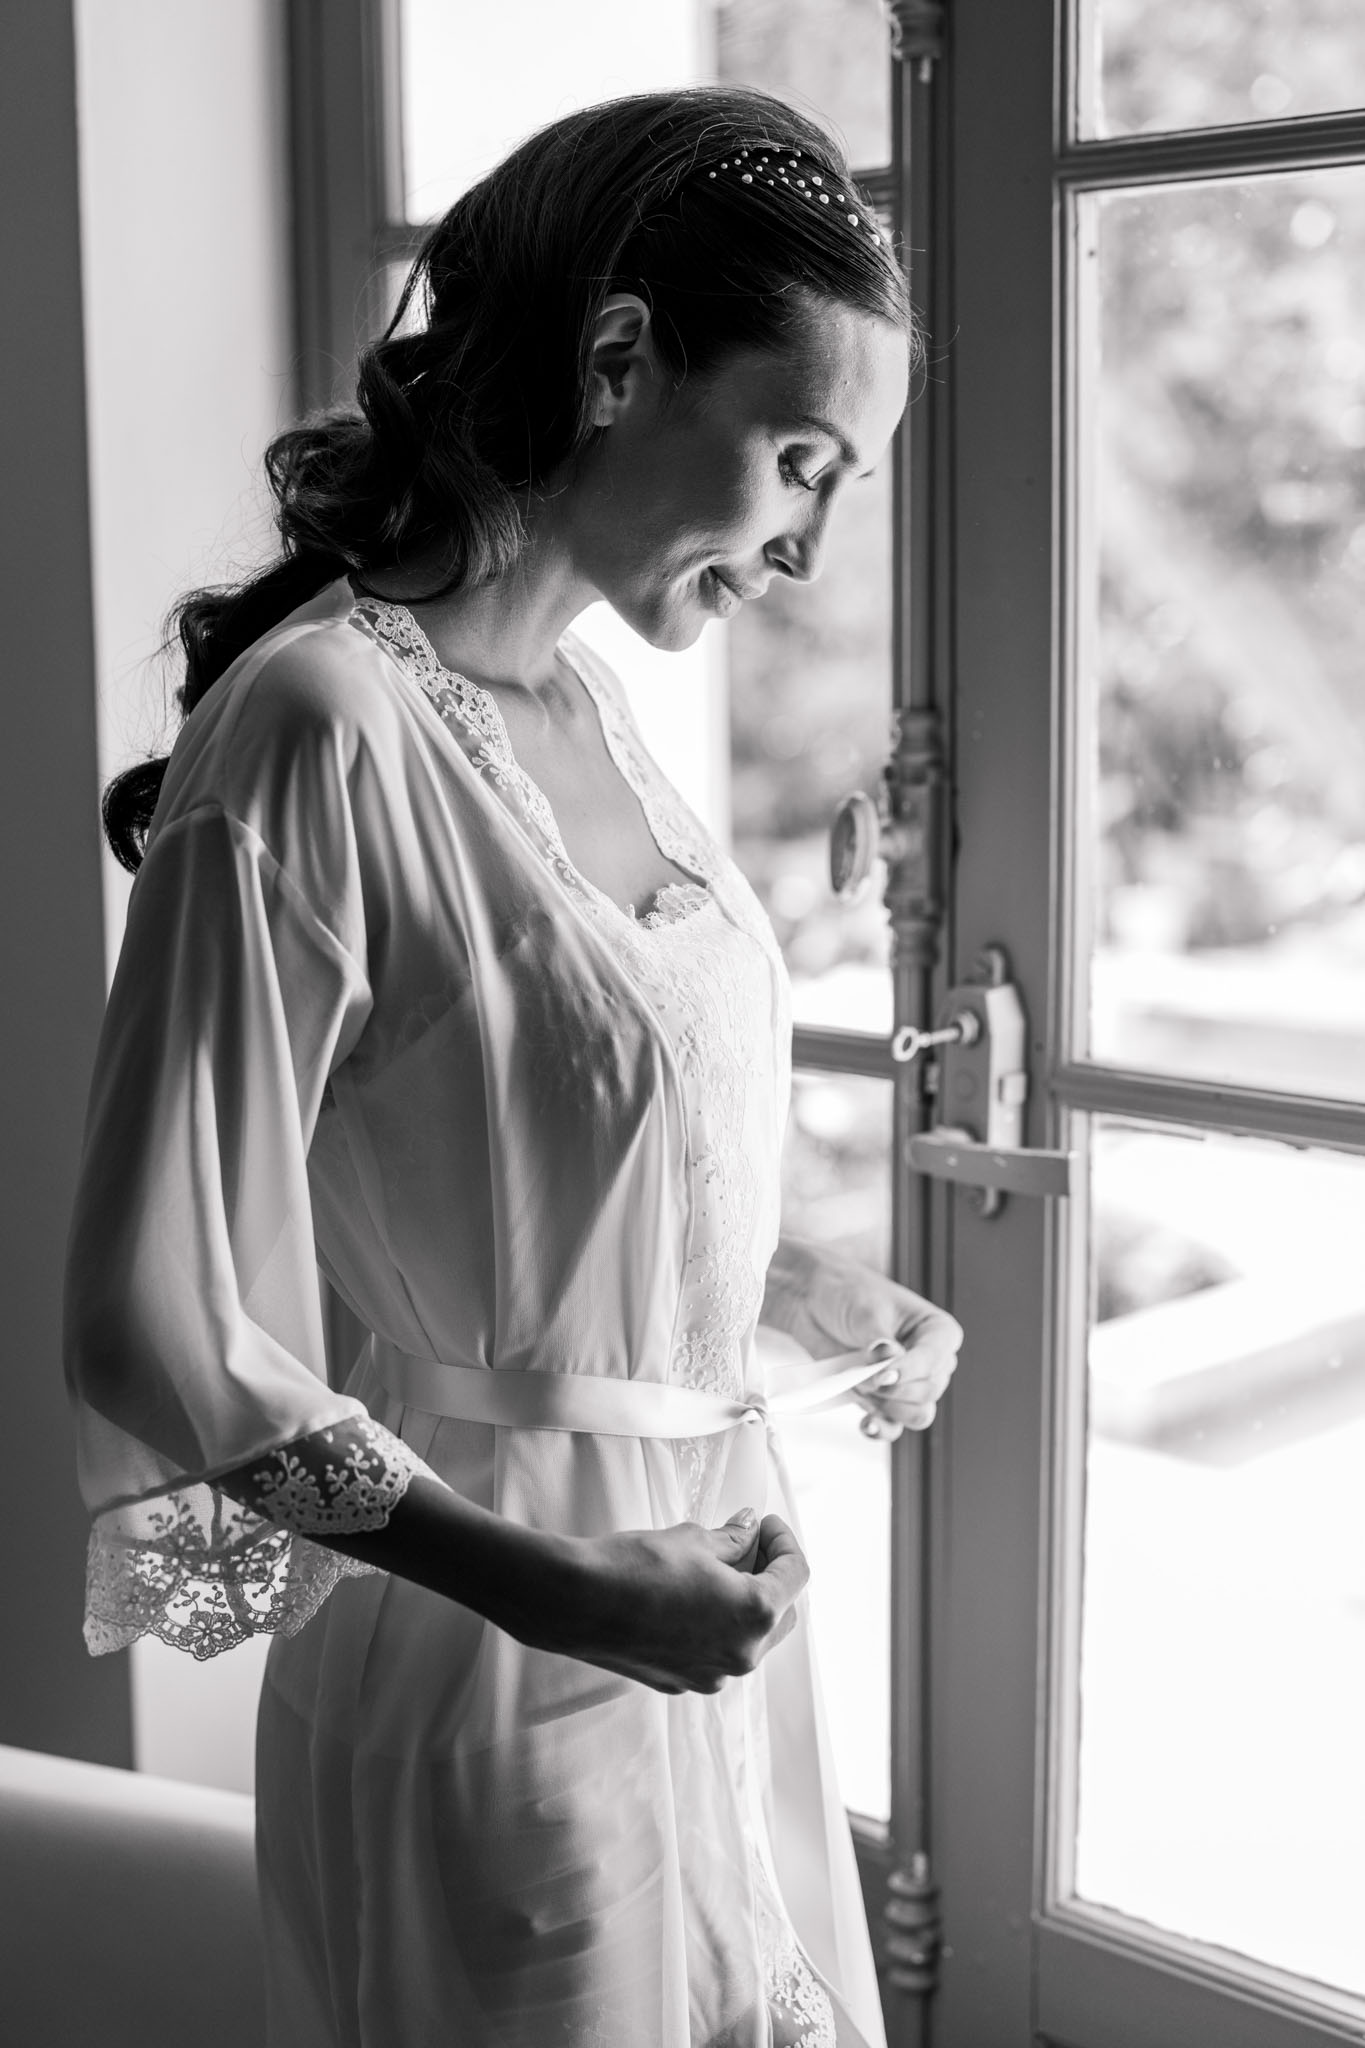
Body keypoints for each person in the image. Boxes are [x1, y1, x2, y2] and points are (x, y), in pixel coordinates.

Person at [65, 85, 962, 2048]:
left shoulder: (597, 717)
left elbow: (555, 1156)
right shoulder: (318, 731)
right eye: (798, 458)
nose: (807, 547)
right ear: (623, 362)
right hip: (488, 1665)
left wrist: (801, 1286)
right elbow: (146, 1315)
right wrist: (556, 1590)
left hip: (709, 1629)